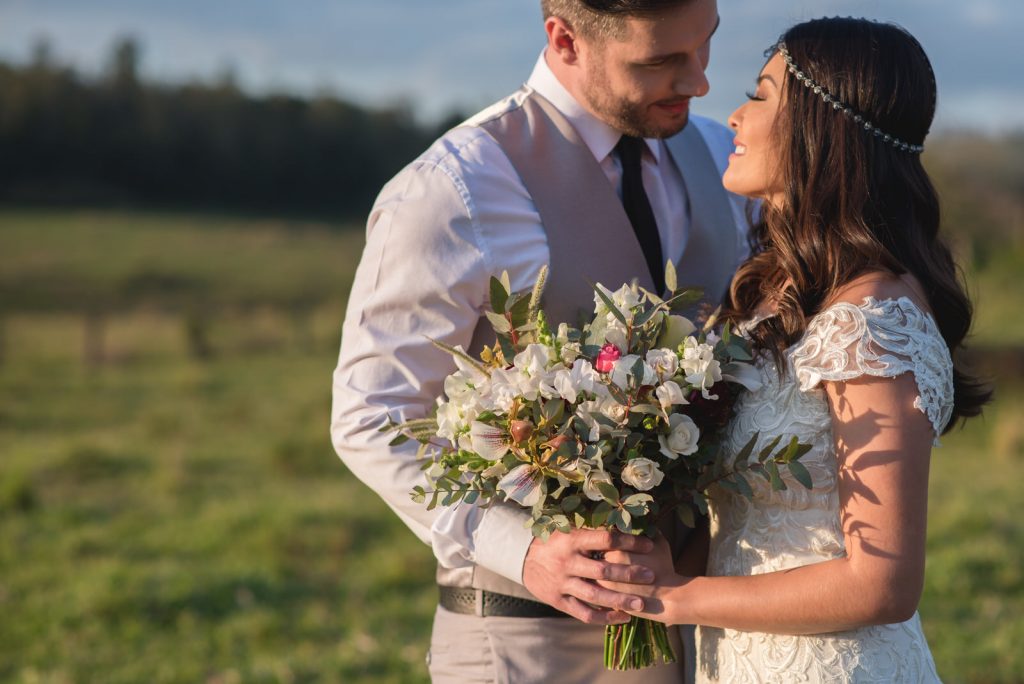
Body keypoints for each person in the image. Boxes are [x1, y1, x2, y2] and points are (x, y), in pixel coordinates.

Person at [331, 0, 755, 680]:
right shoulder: (455, 190)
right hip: (526, 642)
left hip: (703, 641)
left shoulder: (722, 158)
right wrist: (523, 550)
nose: (699, 80)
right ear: (564, 39)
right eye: (660, 62)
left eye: (704, 44)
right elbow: (371, 417)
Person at [598, 16, 991, 682]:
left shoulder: (870, 318)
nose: (734, 116)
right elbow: (745, 520)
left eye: (759, 95)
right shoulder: (775, 298)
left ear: (820, 126)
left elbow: (881, 583)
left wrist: (673, 597)